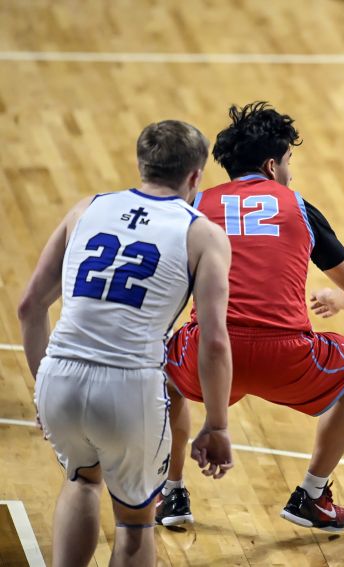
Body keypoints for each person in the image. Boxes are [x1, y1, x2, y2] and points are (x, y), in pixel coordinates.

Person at [17, 120, 234, 567]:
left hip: (60, 373)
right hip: (129, 387)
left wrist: (42, 387)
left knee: (81, 481)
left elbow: (28, 306)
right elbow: (213, 342)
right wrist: (217, 425)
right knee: (135, 523)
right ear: (196, 176)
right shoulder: (202, 233)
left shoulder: (86, 208)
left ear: (142, 165)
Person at [159, 102, 344, 532]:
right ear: (272, 164)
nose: (290, 174)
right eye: (289, 163)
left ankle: (171, 492)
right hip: (288, 358)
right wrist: (338, 301)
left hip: (208, 357)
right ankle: (312, 495)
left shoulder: (193, 205)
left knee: (162, 369)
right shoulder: (299, 207)